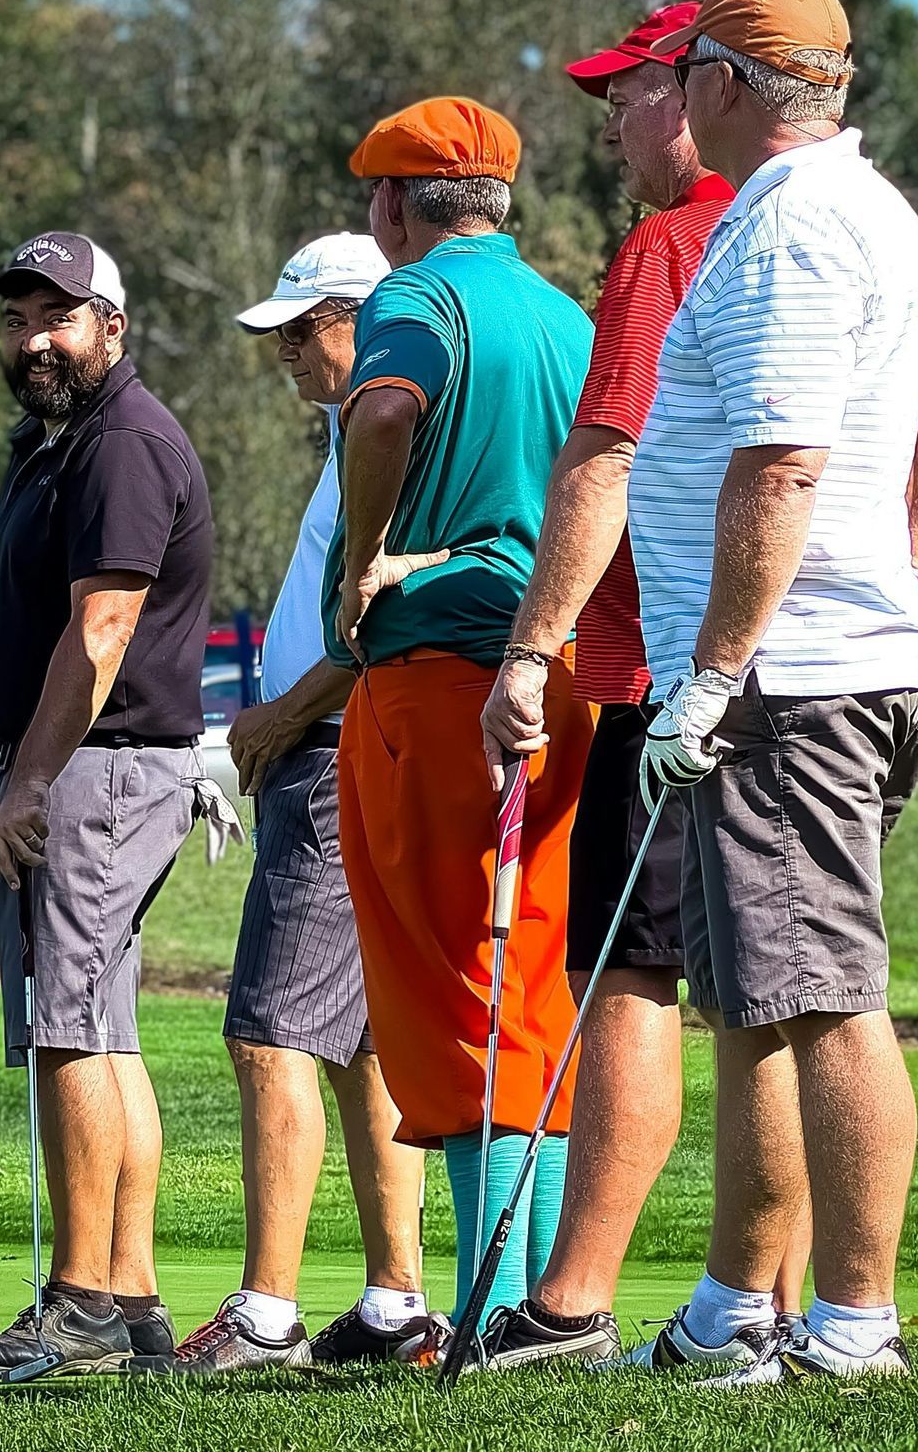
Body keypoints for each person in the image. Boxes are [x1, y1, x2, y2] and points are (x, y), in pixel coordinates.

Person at [626, 0, 918, 1384]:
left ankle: (854, 1325)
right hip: (820, 664)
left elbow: (782, 459)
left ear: (727, 83)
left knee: (827, 995)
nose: (672, 94)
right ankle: (737, 1309)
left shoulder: (791, 229)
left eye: (685, 71)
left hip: (789, 685)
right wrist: (908, 570)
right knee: (757, 998)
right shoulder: (866, 209)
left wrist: (718, 672)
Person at [472, 0, 811, 1369]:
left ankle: (572, 1303)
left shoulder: (675, 243)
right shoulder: (813, 228)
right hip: (794, 676)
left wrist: (531, 649)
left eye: (624, 93)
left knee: (633, 980)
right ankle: (783, 1300)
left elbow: (603, 459)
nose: (608, 121)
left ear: (694, 92)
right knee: (779, 990)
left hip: (658, 675)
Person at [327, 97, 597, 1344]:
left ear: (393, 205)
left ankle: (494, 1308)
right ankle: (544, 1305)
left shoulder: (414, 297)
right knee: (528, 969)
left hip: (438, 672)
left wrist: (369, 548)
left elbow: (381, 410)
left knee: (451, 985)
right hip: (560, 675)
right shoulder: (566, 313)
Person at [142, 234, 433, 1374]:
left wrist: (271, 719)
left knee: (268, 1031)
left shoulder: (391, 429)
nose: (285, 355)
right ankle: (396, 1299)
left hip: (327, 751)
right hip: (333, 751)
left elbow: (386, 622)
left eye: (302, 330)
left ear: (362, 318)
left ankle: (266, 1310)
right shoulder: (345, 436)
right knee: (360, 1045)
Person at [0, 231, 218, 1379]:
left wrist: (38, 776)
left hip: (98, 770)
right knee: (103, 1025)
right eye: (16, 319)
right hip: (89, 765)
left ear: (111, 322)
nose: (31, 339)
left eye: (54, 316)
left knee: (70, 1024)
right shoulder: (69, 440)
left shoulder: (122, 443)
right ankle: (136, 1296)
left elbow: (102, 632)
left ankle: (81, 1303)